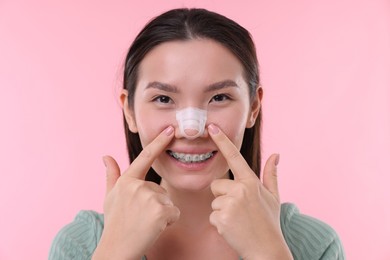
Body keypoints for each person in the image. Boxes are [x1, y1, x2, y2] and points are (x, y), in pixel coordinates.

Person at [49, 8, 345, 260]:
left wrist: (269, 252)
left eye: (219, 98)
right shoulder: (81, 244)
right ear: (129, 112)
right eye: (163, 99)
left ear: (253, 107)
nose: (191, 129)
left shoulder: (315, 245)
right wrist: (113, 251)